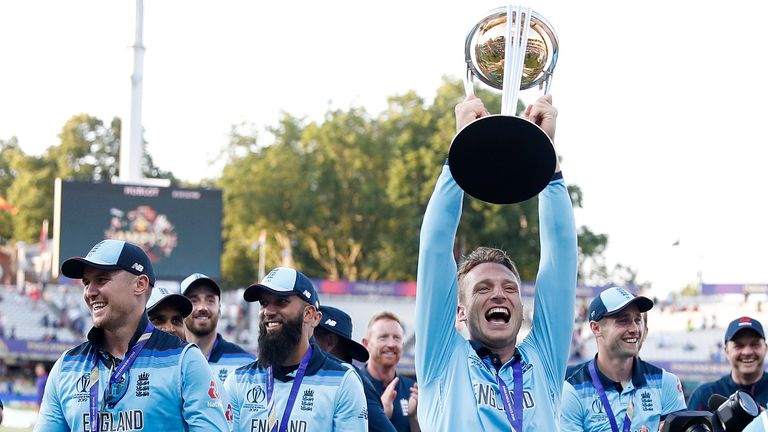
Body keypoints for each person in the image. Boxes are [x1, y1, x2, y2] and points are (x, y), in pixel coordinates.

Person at [415, 94, 578, 431]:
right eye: (483, 289)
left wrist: (547, 157)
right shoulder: (443, 358)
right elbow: (434, 248)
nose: (500, 295)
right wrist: (459, 153)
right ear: (459, 310)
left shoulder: (542, 360)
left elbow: (560, 263)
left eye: (510, 288)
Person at [35, 239, 229, 431]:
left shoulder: (185, 361)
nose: (90, 292)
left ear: (140, 284)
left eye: (101, 279)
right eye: (86, 283)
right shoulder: (66, 366)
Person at [223, 266, 367, 431]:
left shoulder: (344, 381)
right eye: (264, 303)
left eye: (281, 301)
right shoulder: (238, 380)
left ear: (310, 315)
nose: (268, 311)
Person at [561, 287, 687, 432]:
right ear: (596, 328)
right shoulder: (572, 391)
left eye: (637, 320)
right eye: (623, 320)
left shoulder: (666, 382)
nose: (634, 328)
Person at [314, 305, 397, 432]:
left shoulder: (355, 383)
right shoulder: (306, 375)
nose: (305, 343)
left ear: (330, 342)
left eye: (311, 336)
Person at [181, 273, 255, 383]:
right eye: (194, 300)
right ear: (181, 309)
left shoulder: (246, 363)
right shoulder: (169, 360)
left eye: (210, 300)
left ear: (219, 308)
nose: (202, 307)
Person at [687, 316, 768, 411]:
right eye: (739, 346)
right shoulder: (705, 395)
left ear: (766, 348)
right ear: (726, 351)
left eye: (755, 344)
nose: (747, 352)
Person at [360, 312, 419, 432]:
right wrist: (381, 417)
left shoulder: (412, 389)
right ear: (367, 344)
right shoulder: (354, 386)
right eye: (383, 337)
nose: (391, 344)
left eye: (396, 338)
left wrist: (414, 418)